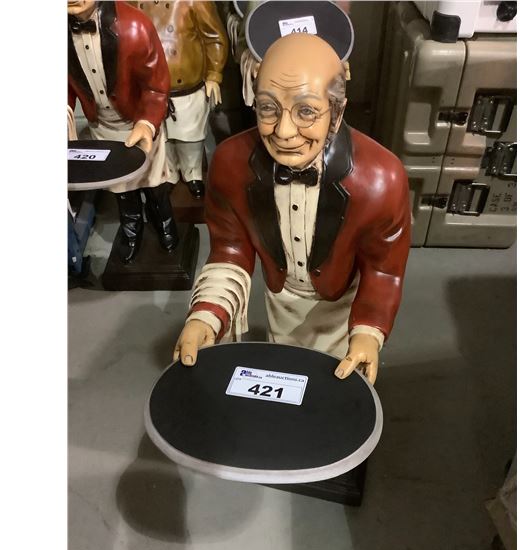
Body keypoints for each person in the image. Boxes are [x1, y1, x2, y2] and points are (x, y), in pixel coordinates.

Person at [173, 33, 410, 384]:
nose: (284, 131)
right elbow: (230, 250)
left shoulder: (382, 179)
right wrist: (206, 314)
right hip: (279, 299)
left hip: (344, 307)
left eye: (306, 111)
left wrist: (368, 332)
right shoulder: (230, 163)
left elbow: (383, 269)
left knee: (333, 384)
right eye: (268, 108)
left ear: (337, 112)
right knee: (286, 371)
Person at [68, 0, 176, 263]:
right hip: (101, 127)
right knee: (121, 187)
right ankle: (131, 227)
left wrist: (147, 122)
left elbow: (155, 84)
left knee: (153, 182)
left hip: (138, 123)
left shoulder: (136, 25)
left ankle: (164, 220)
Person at [132, 1, 228, 199]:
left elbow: (213, 37)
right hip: (150, 88)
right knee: (161, 137)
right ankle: (170, 173)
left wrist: (213, 75)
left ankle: (192, 173)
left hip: (188, 87)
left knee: (190, 137)